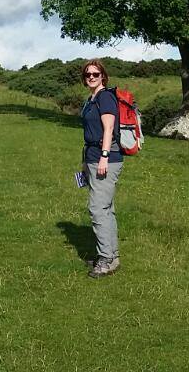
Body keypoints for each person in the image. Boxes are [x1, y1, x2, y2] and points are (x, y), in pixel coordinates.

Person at [79, 59, 122, 278]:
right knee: (106, 209)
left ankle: (106, 259)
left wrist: (104, 157)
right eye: (88, 75)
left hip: (107, 159)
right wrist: (86, 161)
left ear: (103, 76)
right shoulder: (91, 99)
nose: (92, 77)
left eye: (96, 74)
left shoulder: (105, 97)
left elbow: (108, 129)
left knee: (97, 209)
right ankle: (111, 256)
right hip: (93, 157)